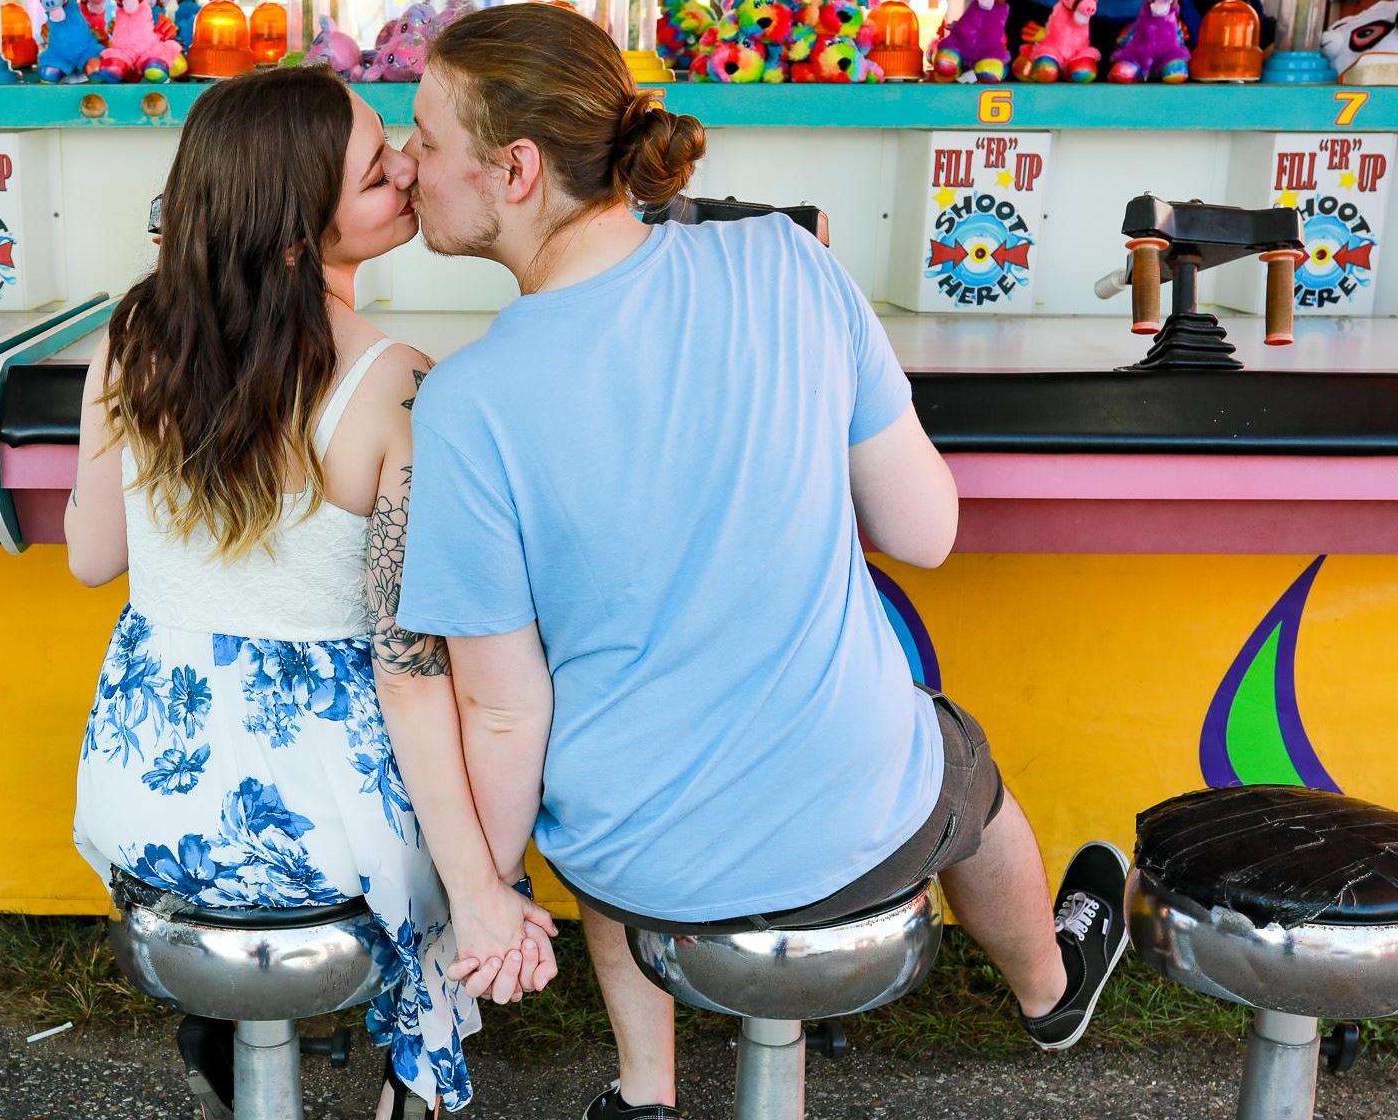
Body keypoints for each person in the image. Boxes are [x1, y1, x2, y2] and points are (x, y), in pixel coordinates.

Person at [395, 8, 1132, 1118]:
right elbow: (924, 531)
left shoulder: (465, 403)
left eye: (422, 135)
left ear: (515, 169)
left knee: (602, 777)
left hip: (636, 856)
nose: (404, 162)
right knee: (954, 762)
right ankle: (1049, 989)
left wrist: (485, 896)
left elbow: (502, 716)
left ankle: (647, 1094)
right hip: (866, 826)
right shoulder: (787, 261)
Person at [66, 66, 555, 1120]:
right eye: (378, 172)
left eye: (394, 147)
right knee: (475, 803)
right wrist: (482, 886)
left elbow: (91, 556)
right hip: (322, 824)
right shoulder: (396, 383)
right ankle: (416, 1074)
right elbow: (411, 672)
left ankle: (234, 1030)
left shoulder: (131, 338)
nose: (408, 172)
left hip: (143, 802)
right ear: (296, 236)